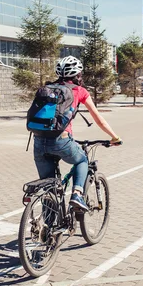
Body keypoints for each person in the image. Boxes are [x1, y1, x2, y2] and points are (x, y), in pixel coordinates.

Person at [33, 56, 121, 212]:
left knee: (49, 187)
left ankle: (47, 230)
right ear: (78, 74)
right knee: (82, 160)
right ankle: (77, 194)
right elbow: (99, 120)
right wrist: (115, 137)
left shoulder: (47, 88)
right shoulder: (80, 91)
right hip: (61, 140)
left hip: (39, 141)